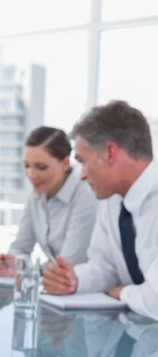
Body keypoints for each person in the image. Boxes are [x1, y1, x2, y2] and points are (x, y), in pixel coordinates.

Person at [42, 101, 158, 320]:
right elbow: (105, 267)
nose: (82, 175)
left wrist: (123, 292)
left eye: (83, 162)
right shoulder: (112, 200)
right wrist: (74, 280)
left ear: (110, 153)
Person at [0, 126, 97, 276]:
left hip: (85, 288)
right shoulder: (37, 194)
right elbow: (21, 247)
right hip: (56, 286)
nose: (31, 174)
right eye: (27, 166)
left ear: (65, 164)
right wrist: (13, 262)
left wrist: (29, 269)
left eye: (41, 167)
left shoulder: (86, 193)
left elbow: (69, 262)